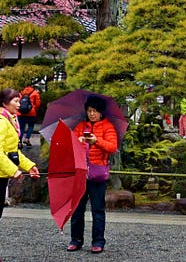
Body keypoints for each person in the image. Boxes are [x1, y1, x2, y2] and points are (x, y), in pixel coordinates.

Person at [0, 88, 39, 262]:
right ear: (5, 102)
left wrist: (30, 166)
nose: (19, 104)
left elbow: (14, 152)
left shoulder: (9, 120)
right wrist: (13, 171)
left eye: (19, 101)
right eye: (16, 101)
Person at [69, 94, 120, 254]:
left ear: (101, 112)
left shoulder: (107, 127)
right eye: (90, 110)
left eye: (95, 111)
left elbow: (112, 147)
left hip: (97, 174)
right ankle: (75, 239)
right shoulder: (80, 126)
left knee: (98, 209)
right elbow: (70, 145)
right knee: (77, 209)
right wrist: (78, 141)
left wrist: (96, 141)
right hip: (80, 173)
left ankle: (98, 241)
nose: (92, 114)